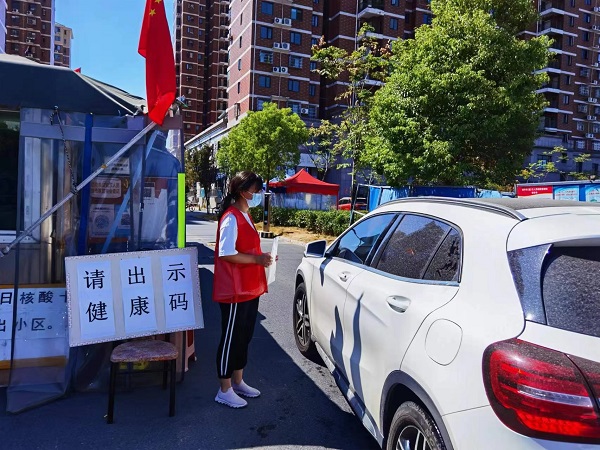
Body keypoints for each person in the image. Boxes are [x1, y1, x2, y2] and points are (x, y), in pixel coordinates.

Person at [212, 171, 273, 408]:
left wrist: (262, 258)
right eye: (255, 190)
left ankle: (238, 381)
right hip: (234, 290)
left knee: (244, 336)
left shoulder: (246, 215)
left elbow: (246, 249)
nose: (258, 194)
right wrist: (257, 260)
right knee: (231, 338)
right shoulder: (231, 217)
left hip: (249, 288)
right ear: (241, 191)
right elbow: (226, 253)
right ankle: (224, 389)